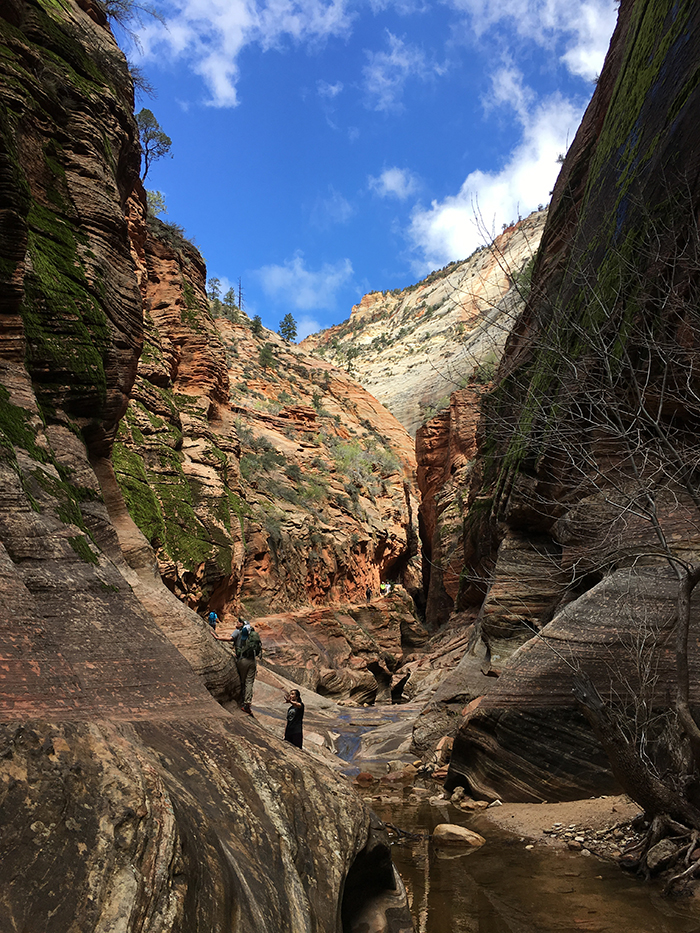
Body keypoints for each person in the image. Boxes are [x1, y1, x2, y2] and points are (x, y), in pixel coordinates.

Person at [214, 618, 262, 714]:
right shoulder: (252, 634)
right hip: (252, 661)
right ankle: (247, 703)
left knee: (243, 681)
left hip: (242, 660)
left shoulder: (238, 632)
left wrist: (217, 638)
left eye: (238, 622)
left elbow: (230, 639)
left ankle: (242, 702)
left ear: (242, 624)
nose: (236, 623)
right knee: (249, 682)